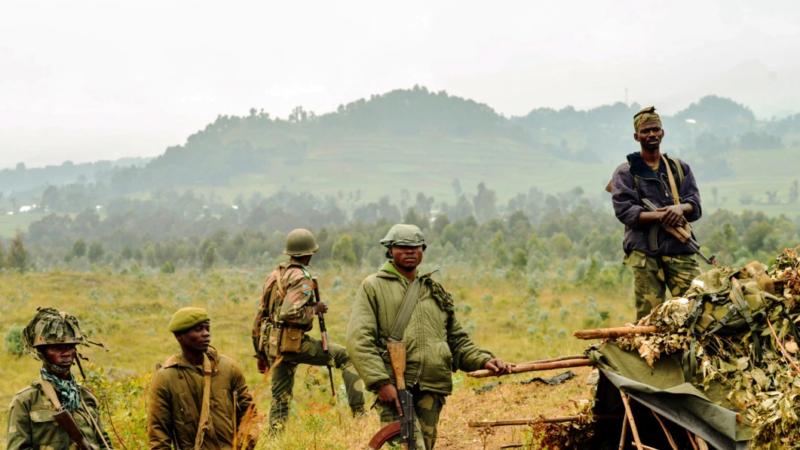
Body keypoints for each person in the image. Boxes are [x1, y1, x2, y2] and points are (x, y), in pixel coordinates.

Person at [346, 224, 511, 450]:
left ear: (423, 250)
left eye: (416, 246)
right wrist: (381, 382)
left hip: (431, 388)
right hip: (395, 387)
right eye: (403, 246)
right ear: (390, 250)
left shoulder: (434, 291)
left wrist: (483, 360)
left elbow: (457, 340)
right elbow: (359, 340)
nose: (410, 251)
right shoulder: (373, 286)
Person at [252, 228, 365, 431]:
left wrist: (260, 352)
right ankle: (360, 415)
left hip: (272, 344)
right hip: (291, 343)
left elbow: (260, 316)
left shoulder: (275, 275)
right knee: (346, 357)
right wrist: (314, 309)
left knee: (280, 397)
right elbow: (289, 312)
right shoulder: (302, 279)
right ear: (310, 253)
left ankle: (276, 439)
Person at [610, 106, 703, 320]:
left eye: (655, 129)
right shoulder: (625, 172)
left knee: (696, 310)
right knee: (649, 319)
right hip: (645, 256)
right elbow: (625, 212)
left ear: (662, 133)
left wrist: (679, 209)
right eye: (645, 131)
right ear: (636, 136)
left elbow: (695, 205)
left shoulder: (679, 168)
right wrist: (661, 216)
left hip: (680, 249)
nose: (651, 134)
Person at [147, 307, 256, 450]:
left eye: (207, 329)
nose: (206, 334)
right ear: (179, 335)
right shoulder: (166, 378)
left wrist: (243, 447)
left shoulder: (228, 368)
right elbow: (158, 436)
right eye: (198, 329)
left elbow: (250, 416)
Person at [7, 307, 113, 450]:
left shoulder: (85, 398)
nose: (66, 353)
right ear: (42, 352)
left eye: (70, 347)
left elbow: (104, 443)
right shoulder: (25, 401)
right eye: (56, 348)